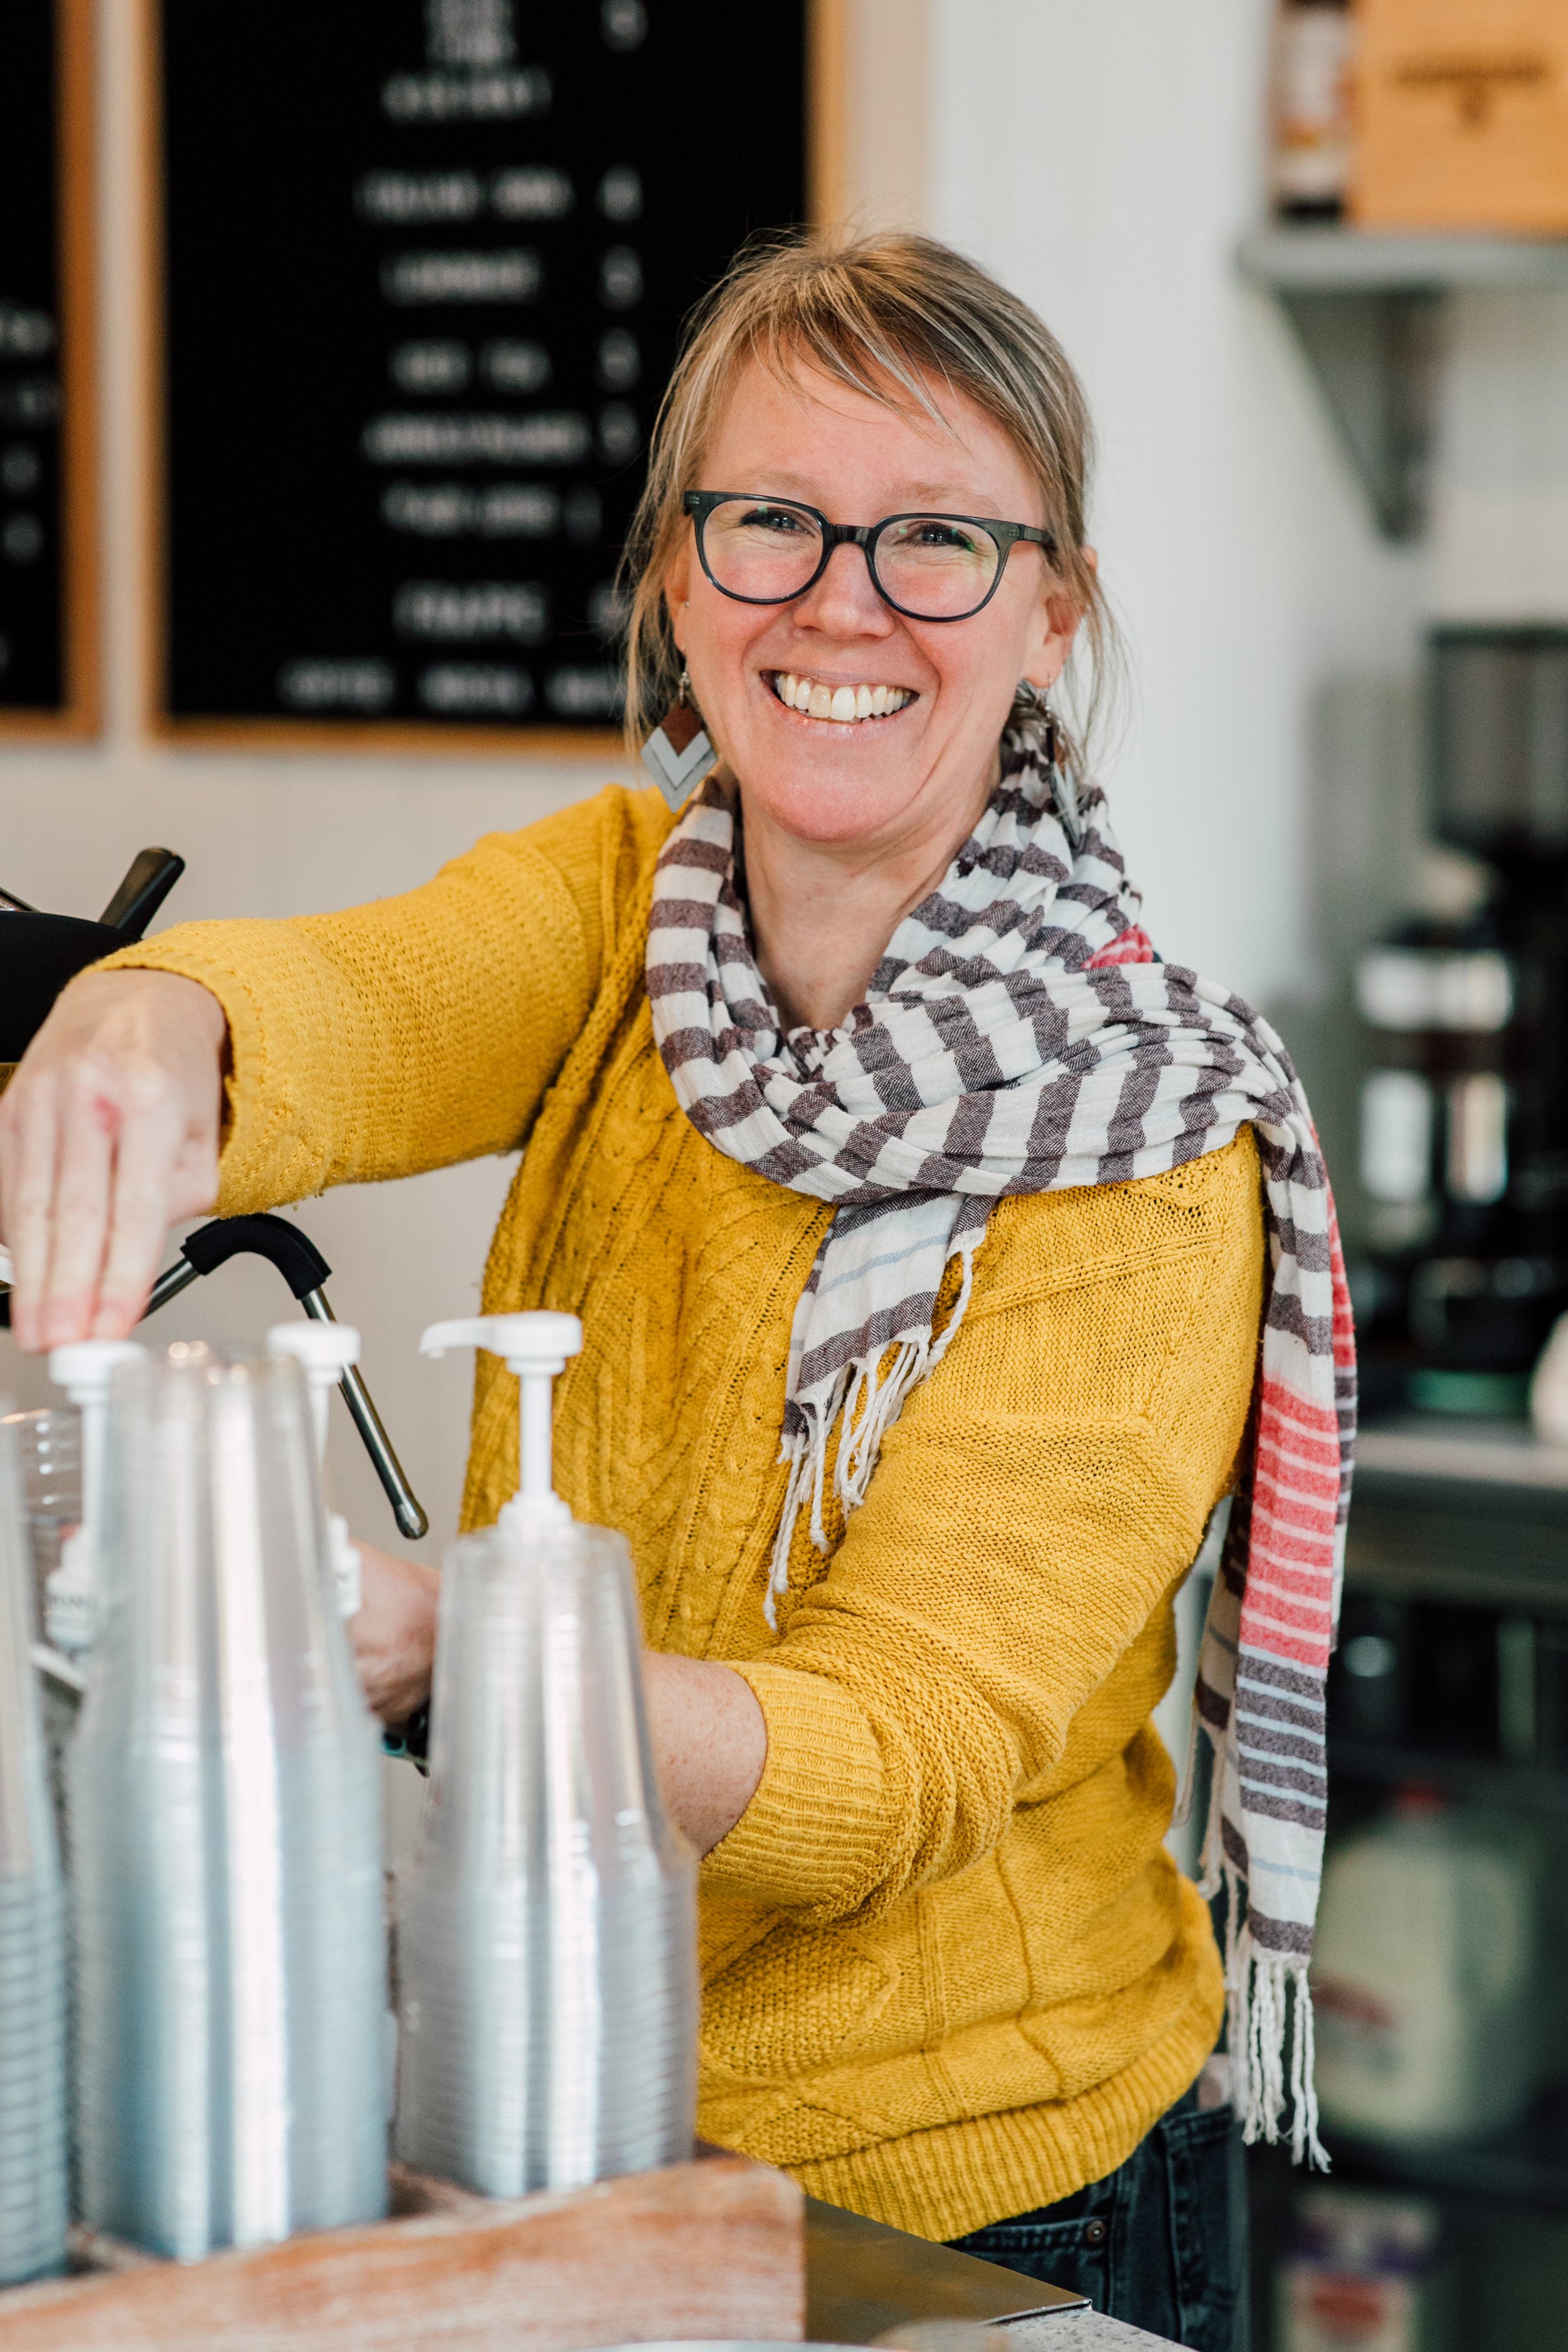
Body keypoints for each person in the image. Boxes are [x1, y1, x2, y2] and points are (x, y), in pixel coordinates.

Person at [0, 233, 1353, 2351]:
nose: (840, 602)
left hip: (976, 2210)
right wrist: (153, 1021)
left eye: (935, 541)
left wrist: (485, 1637)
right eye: (771, 524)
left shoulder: (1140, 1141)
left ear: (1049, 611)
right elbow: (359, 1005)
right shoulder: (627, 903)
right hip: (558, 2113)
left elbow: (902, 1749)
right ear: (675, 577)